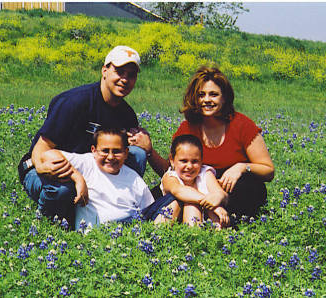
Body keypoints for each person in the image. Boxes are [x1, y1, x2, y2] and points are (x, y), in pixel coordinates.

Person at [18, 46, 154, 227]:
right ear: (104, 71)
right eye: (119, 72)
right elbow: (41, 151)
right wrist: (76, 177)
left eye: (131, 75)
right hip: (47, 167)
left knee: (137, 154)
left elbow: (133, 155)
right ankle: (50, 224)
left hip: (93, 170)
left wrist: (148, 148)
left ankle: (120, 208)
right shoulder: (74, 102)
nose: (125, 79)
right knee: (63, 191)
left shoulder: (127, 115)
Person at [143, 66, 274, 222]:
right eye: (201, 95)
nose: (207, 100)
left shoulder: (242, 125)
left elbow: (268, 171)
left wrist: (241, 167)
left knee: (251, 188)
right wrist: (149, 151)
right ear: (195, 98)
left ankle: (212, 217)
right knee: (152, 199)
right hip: (194, 187)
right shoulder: (187, 128)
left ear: (224, 97)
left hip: (230, 190)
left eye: (213, 94)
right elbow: (173, 169)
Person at [39, 128, 170, 229]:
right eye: (105, 151)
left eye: (117, 151)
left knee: (171, 200)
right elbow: (48, 155)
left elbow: (148, 212)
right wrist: (78, 178)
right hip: (94, 235)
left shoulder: (134, 179)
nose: (110, 157)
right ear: (94, 151)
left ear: (126, 153)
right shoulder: (87, 163)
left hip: (129, 234)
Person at [157, 134, 230, 228]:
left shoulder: (205, 173)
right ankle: (193, 237)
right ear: (172, 160)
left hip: (204, 219)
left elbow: (221, 194)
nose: (189, 166)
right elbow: (179, 191)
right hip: (173, 220)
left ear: (201, 161)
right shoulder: (170, 176)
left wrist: (218, 198)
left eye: (195, 161)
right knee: (191, 205)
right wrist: (211, 203)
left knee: (213, 205)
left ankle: (218, 238)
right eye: (183, 161)